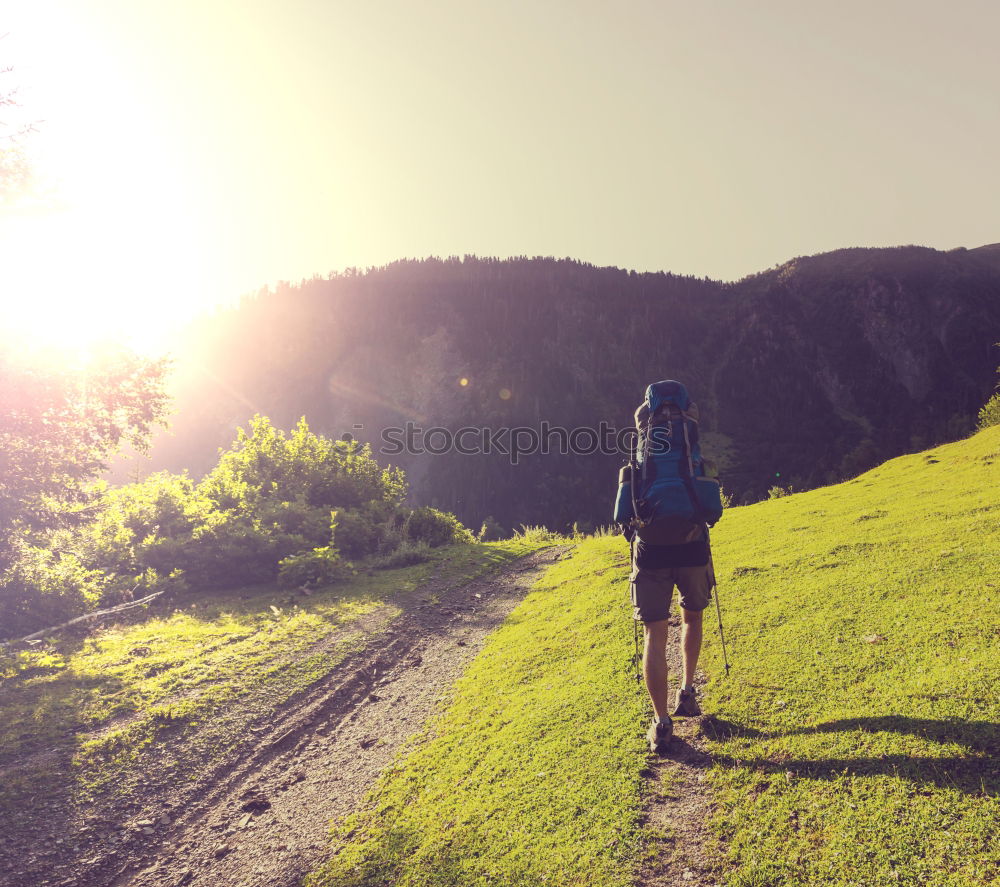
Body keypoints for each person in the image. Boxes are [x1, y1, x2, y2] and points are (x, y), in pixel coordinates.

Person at [621, 393, 715, 754]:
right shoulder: (692, 451)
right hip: (693, 547)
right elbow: (712, 509)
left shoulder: (640, 460)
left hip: (651, 553)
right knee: (692, 618)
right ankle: (688, 691)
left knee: (654, 634)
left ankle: (661, 722)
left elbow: (621, 514)